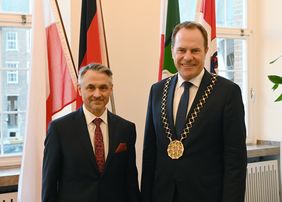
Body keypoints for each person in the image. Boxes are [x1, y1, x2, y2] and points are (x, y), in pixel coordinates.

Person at [141, 21, 247, 202]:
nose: (187, 57)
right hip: (163, 195)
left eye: (195, 50)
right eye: (181, 50)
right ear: (173, 50)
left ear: (206, 50)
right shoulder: (157, 90)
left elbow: (235, 161)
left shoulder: (227, 92)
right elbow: (150, 153)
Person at [42, 64, 140, 202]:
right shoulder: (59, 129)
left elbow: (130, 180)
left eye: (103, 88)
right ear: (80, 90)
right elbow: (50, 184)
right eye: (91, 87)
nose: (97, 94)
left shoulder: (126, 129)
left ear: (111, 89)